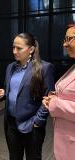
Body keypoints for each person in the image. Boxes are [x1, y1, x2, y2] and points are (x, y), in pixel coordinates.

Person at [0, 33, 54, 160]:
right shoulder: (11, 67)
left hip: (31, 124)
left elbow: (49, 98)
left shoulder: (44, 68)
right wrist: (5, 94)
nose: (14, 51)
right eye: (13, 48)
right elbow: (17, 91)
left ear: (31, 49)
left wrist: (37, 121)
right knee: (14, 157)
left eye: (19, 48)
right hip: (11, 123)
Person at [42, 25, 75, 160]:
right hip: (66, 140)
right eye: (64, 39)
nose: (65, 44)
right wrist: (53, 98)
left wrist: (55, 104)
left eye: (70, 39)